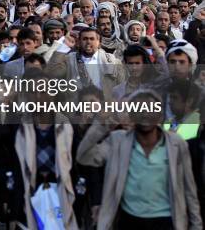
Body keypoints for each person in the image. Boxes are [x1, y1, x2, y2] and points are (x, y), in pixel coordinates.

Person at [77, 89, 202, 229]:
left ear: (160, 115)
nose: (145, 114)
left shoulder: (176, 144)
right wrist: (100, 124)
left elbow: (190, 191)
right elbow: (84, 157)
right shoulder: (118, 141)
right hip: (129, 222)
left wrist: (196, 225)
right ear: (131, 115)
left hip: (166, 222)